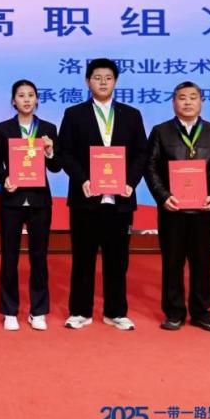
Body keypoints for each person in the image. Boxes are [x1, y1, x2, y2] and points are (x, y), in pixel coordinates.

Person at [58, 58, 148, 331]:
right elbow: (65, 152)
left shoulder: (131, 115)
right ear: (88, 81)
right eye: (97, 78)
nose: (103, 82)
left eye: (108, 78)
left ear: (115, 81)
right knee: (83, 257)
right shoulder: (74, 114)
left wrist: (131, 182)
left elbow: (141, 153)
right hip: (86, 199)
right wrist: (83, 179)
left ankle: (116, 312)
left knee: (117, 260)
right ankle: (80, 311)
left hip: (120, 200)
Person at [144, 81, 210, 333]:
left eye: (193, 97)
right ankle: (174, 313)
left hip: (204, 209)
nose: (187, 102)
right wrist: (163, 197)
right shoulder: (160, 131)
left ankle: (202, 313)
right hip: (172, 209)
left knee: (202, 264)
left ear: (201, 101)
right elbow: (150, 167)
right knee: (172, 263)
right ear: (173, 102)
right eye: (182, 97)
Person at [0, 80, 61, 331]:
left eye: (31, 95)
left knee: (39, 257)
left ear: (37, 100)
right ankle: (9, 311)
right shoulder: (2, 129)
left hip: (40, 201)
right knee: (9, 257)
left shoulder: (48, 129)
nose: (27, 99)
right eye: (21, 95)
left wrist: (50, 151)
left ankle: (38, 311)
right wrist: (4, 178)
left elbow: (56, 166)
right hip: (11, 200)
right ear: (13, 101)